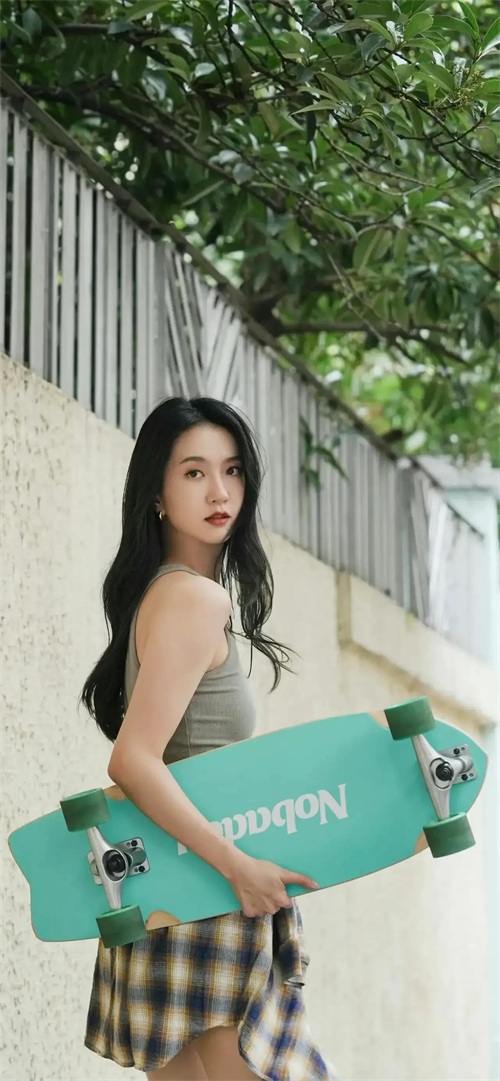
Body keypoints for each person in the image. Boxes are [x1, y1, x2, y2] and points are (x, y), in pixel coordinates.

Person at [79, 396, 336, 1081]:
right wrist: (236, 865)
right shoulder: (194, 598)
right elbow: (134, 759)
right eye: (194, 472)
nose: (220, 491)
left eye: (232, 470)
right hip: (208, 890)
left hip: (171, 887)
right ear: (157, 495)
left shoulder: (163, 592)